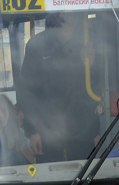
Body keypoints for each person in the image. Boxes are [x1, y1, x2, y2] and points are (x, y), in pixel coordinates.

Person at [17, 13, 101, 162]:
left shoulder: (88, 42)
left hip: (82, 129)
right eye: (62, 15)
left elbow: (102, 88)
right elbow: (26, 91)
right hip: (46, 131)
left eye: (72, 14)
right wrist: (32, 131)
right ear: (53, 17)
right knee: (51, 178)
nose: (68, 19)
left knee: (86, 176)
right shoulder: (37, 45)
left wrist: (91, 65)